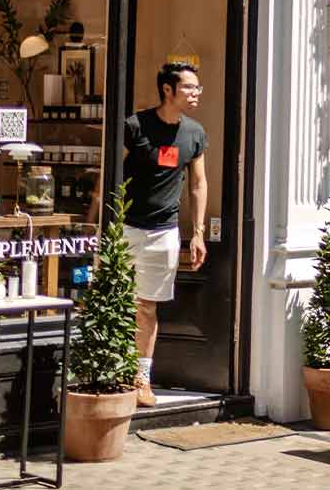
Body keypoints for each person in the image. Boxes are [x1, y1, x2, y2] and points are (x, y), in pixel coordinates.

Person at [116, 62, 210, 406]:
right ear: (167, 90)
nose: (196, 93)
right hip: (124, 226)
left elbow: (198, 184)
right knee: (117, 301)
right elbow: (109, 174)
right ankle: (112, 371)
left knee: (147, 307)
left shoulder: (194, 133)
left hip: (164, 232)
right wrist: (97, 222)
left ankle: (142, 378)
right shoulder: (135, 126)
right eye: (188, 87)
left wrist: (197, 233)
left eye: (197, 88)